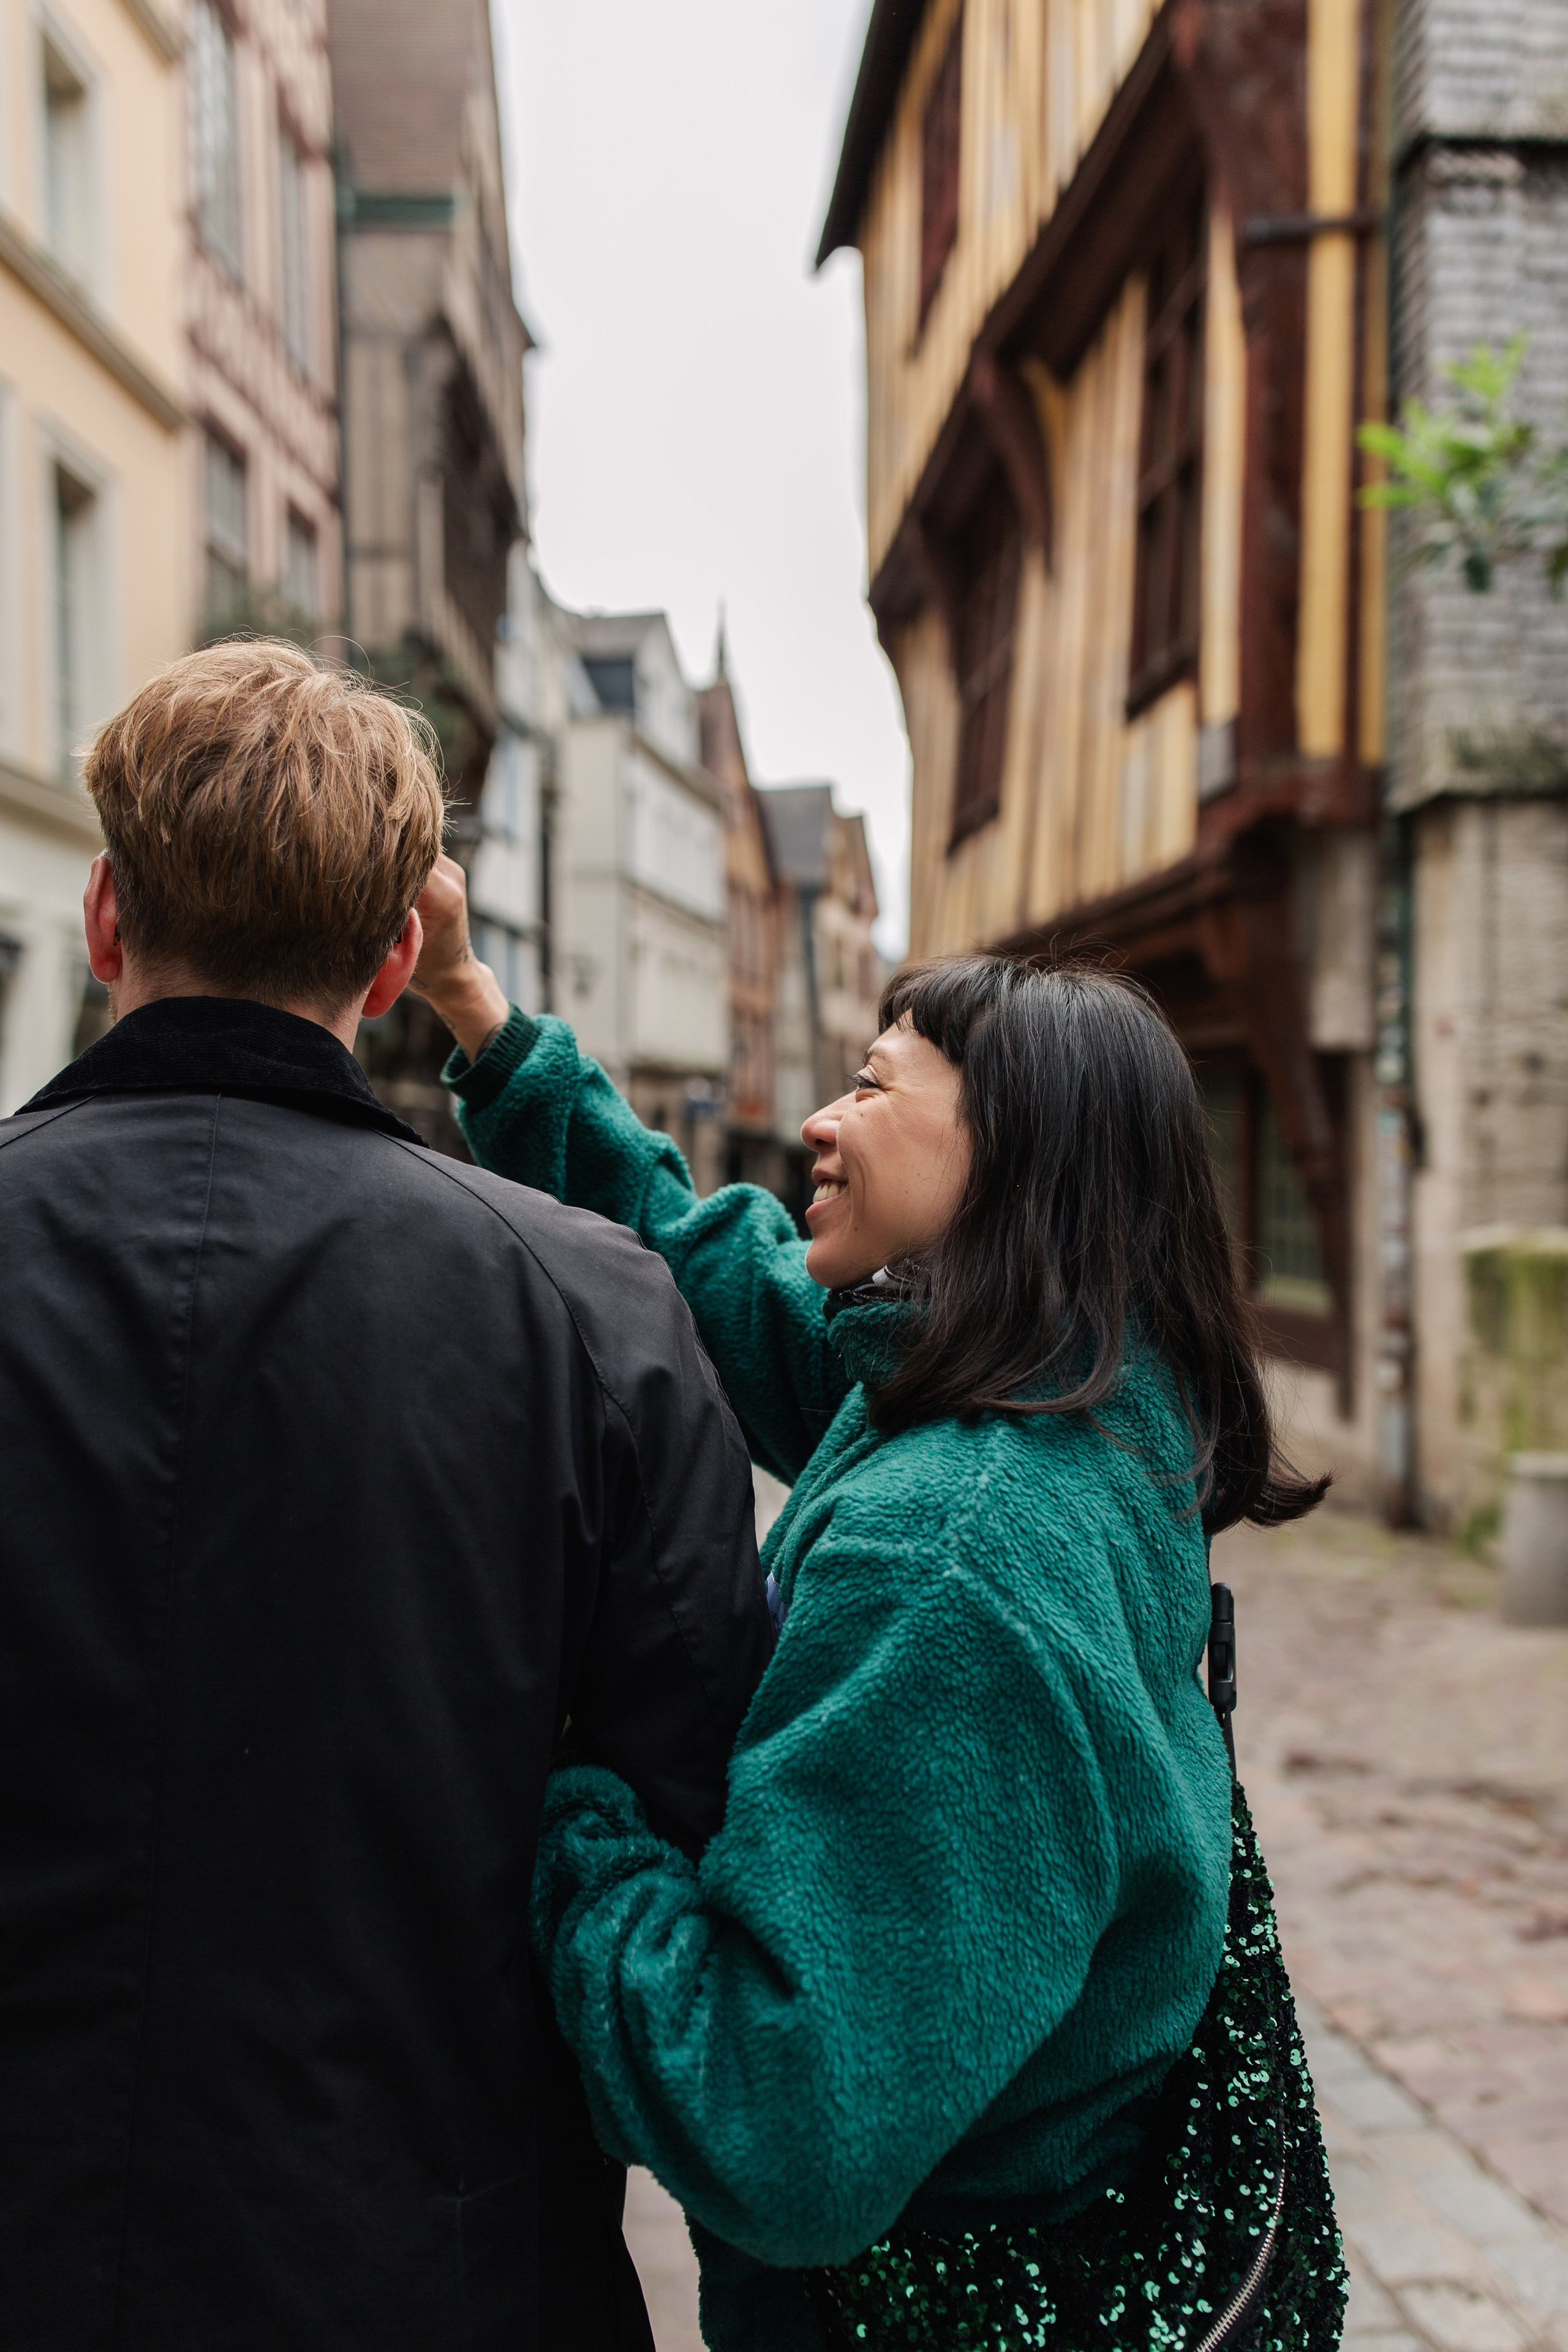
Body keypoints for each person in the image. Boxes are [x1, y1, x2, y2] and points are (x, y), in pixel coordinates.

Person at [413, 856, 1348, 2352]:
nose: (818, 1121)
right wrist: (477, 1010)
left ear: (1007, 1153)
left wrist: (570, 1803)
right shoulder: (1067, 1392)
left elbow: (781, 2124)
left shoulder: (953, 1557)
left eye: (868, 1085)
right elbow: (713, 1274)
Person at [0, 644, 773, 2352]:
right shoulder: (590, 1311)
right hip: (431, 2257)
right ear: (398, 956)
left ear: (106, 919)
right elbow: (693, 1804)